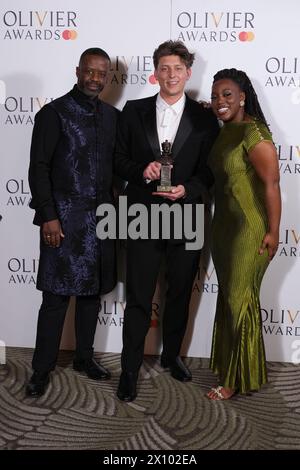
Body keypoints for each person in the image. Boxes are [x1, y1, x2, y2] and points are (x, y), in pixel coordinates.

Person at [114, 40, 219, 402]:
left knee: (178, 294)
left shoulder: (206, 118)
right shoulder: (133, 110)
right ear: (155, 72)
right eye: (164, 68)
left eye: (178, 69)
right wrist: (142, 169)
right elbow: (118, 160)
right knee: (139, 296)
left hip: (187, 216)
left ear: (188, 73)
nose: (171, 75)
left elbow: (211, 171)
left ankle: (172, 356)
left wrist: (187, 189)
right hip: (142, 216)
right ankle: (129, 369)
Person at [26, 48, 118, 397]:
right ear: (78, 71)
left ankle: (83, 358)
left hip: (101, 220)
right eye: (90, 72)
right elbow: (39, 168)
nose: (95, 79)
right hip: (63, 221)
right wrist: (48, 215)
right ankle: (40, 369)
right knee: (55, 300)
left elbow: (121, 163)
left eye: (102, 73)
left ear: (108, 77)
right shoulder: (53, 114)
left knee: (92, 295)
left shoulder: (112, 116)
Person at [206, 68, 281, 400]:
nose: (220, 101)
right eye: (215, 96)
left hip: (249, 232)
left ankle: (233, 380)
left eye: (227, 94)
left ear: (242, 96)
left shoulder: (254, 133)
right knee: (231, 299)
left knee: (240, 300)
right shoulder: (225, 130)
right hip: (222, 228)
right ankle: (233, 366)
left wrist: (274, 232)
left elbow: (272, 185)